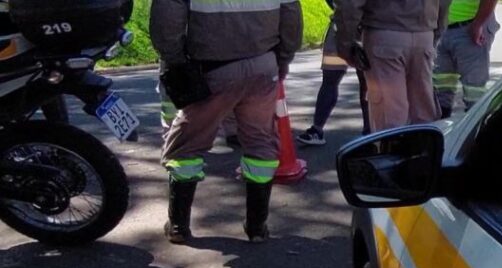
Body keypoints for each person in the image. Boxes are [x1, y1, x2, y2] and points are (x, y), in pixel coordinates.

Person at [150, 0, 302, 244]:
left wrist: (176, 61)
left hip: (211, 70)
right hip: (263, 67)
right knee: (261, 142)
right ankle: (256, 226)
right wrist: (283, 59)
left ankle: (178, 225)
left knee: (185, 146)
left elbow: (166, 21)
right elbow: (291, 16)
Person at [335, 0, 451, 132]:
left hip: (384, 33)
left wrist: (345, 44)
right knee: (423, 113)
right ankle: (424, 148)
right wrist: (436, 30)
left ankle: (391, 149)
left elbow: (350, 4)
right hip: (424, 34)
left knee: (390, 116)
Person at [298, 1, 370, 146]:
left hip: (360, 28)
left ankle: (369, 132)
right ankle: (317, 129)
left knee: (367, 82)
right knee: (332, 77)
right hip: (343, 28)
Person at [432, 0, 498, 119]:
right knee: (441, 89)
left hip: (470, 28)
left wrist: (478, 24)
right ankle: (442, 131)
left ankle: (476, 131)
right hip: (441, 28)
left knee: (474, 92)